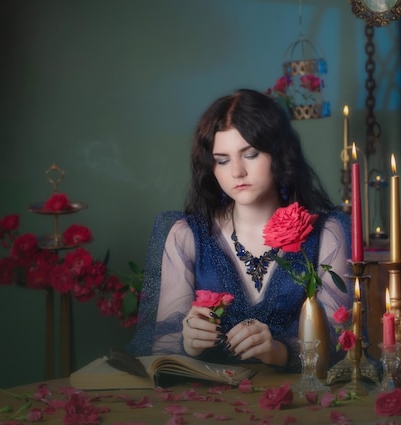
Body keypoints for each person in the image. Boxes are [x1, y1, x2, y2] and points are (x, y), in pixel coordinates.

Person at [128, 88, 352, 370]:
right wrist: (187, 342)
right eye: (222, 160)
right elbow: (158, 349)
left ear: (279, 154)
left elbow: (342, 343)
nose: (236, 171)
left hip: (300, 402)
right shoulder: (186, 235)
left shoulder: (326, 233)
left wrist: (280, 351)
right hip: (207, 403)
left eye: (251, 154)